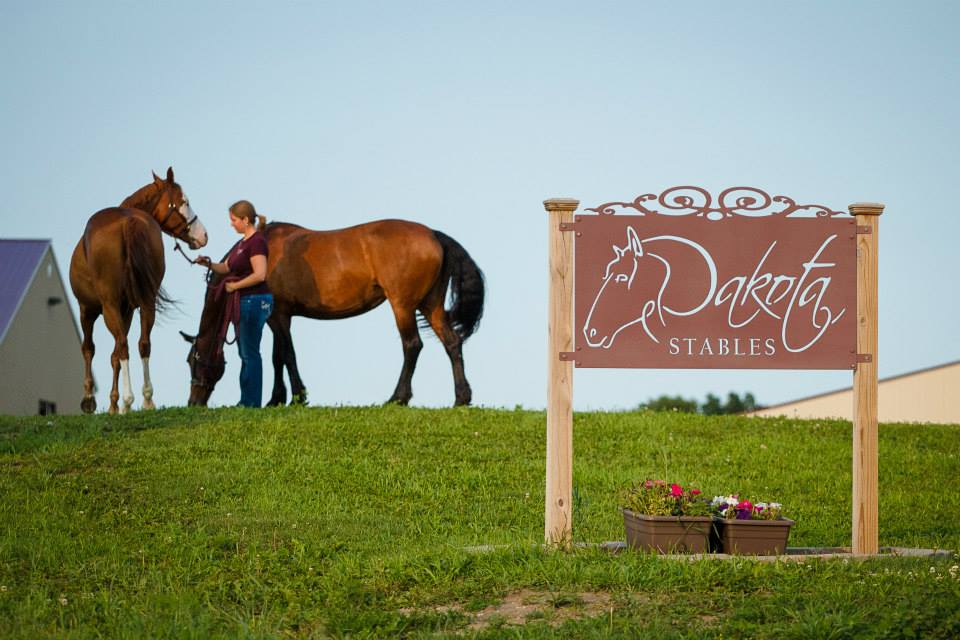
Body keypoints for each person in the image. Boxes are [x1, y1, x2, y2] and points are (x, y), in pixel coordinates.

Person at [196, 200, 273, 407]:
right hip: (246, 301)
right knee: (245, 352)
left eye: (234, 220)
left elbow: (260, 274)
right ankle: (247, 400)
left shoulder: (257, 242)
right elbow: (227, 267)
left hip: (254, 301)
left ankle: (251, 403)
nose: (231, 224)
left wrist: (235, 286)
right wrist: (209, 263)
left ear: (245, 220)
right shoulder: (242, 244)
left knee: (250, 353)